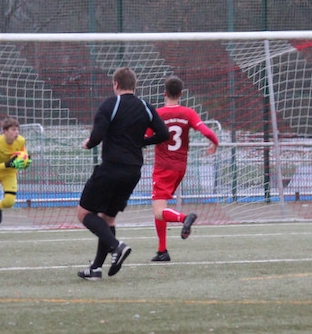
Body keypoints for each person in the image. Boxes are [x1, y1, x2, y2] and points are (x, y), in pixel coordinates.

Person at [77, 67, 169, 280]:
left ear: (116, 84)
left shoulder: (111, 104)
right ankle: (96, 269)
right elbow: (163, 134)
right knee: (108, 219)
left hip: (111, 168)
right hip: (133, 171)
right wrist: (142, 142)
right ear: (133, 85)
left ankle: (116, 246)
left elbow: (97, 136)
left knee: (84, 213)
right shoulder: (145, 106)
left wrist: (88, 144)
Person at [148, 75, 219, 262]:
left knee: (158, 210)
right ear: (181, 94)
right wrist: (215, 143)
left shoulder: (158, 114)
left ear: (164, 93)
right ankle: (162, 251)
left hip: (163, 167)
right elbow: (206, 131)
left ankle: (184, 218)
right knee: (160, 206)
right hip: (181, 167)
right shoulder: (188, 113)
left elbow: (145, 136)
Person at [0, 116, 30, 238]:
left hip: (9, 173)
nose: (16, 132)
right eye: (13, 130)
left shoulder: (21, 141)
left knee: (9, 202)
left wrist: (26, 161)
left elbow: (23, 154)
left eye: (17, 130)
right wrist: (7, 164)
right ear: (5, 131)